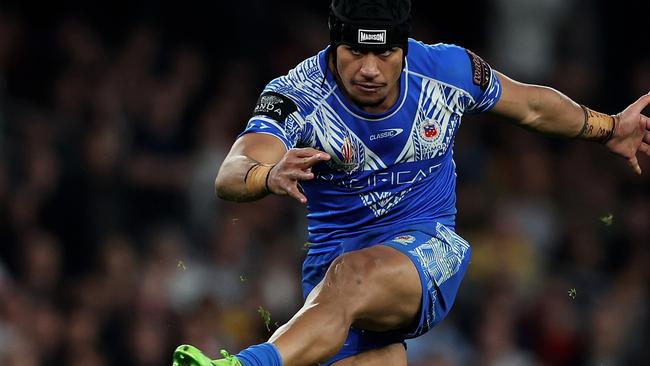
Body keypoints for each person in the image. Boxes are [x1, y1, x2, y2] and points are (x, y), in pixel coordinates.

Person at [172, 0, 650, 365]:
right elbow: (230, 171)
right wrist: (267, 174)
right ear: (333, 46)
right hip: (331, 289)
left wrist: (608, 128)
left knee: (352, 274)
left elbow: (531, 105)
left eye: (384, 52)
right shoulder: (298, 95)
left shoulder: (446, 71)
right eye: (356, 51)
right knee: (376, 343)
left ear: (403, 49)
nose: (369, 69)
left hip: (427, 250)